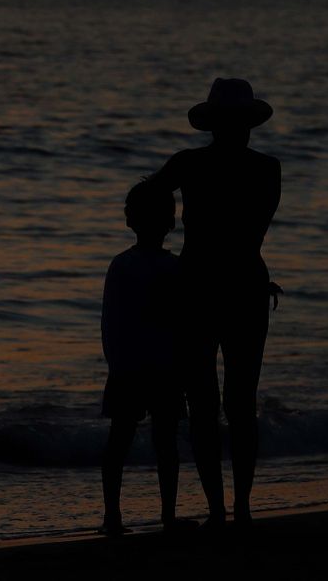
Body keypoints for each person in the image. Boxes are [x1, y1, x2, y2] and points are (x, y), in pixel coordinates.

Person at [147, 77, 281, 530]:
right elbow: (252, 229)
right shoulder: (267, 169)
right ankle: (236, 508)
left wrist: (155, 248)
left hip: (199, 286)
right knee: (239, 403)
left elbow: (144, 196)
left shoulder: (189, 164)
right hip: (244, 284)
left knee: (207, 403)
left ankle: (221, 510)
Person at [98, 181, 194, 536]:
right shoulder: (175, 268)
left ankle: (113, 516)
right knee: (164, 443)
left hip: (130, 366)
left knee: (119, 440)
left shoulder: (122, 265)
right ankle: (167, 515)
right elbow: (186, 323)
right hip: (164, 367)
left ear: (129, 221)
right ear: (171, 222)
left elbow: (110, 321)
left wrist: (115, 363)